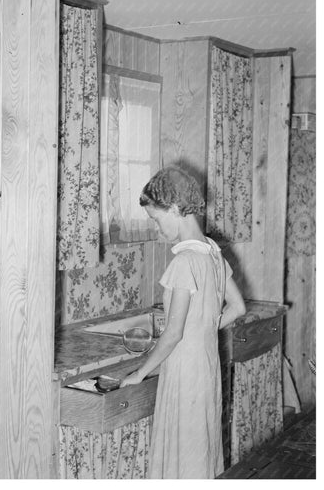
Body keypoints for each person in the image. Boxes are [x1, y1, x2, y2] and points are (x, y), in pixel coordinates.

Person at [120, 166, 246, 479]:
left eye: (156, 220)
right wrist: (202, 330)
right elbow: (238, 307)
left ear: (175, 209)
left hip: (184, 371)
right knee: (199, 446)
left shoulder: (185, 261)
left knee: (179, 451)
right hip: (206, 365)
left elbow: (173, 333)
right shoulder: (213, 253)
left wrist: (140, 372)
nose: (157, 229)